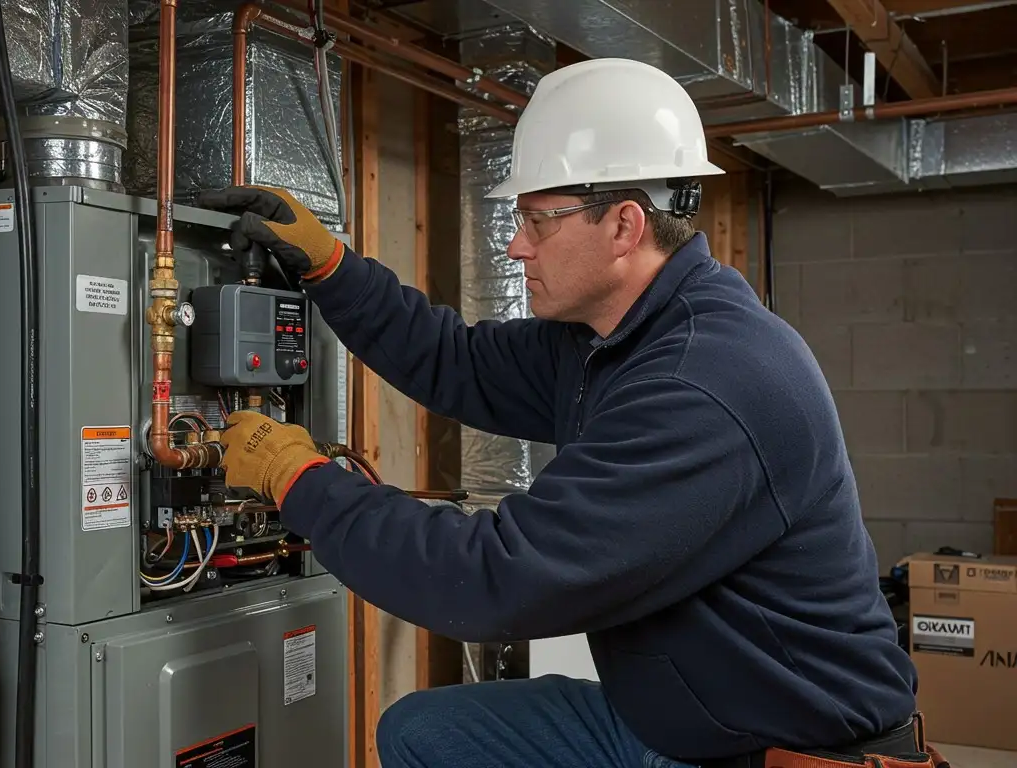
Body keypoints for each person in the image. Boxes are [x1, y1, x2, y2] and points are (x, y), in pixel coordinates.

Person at [195, 58, 930, 768]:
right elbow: (460, 362)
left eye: (539, 221)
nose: (516, 246)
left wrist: (301, 481)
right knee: (426, 733)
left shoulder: (703, 385)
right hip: (687, 722)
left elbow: (496, 579)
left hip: (776, 752)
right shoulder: (613, 338)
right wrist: (330, 266)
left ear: (624, 226)